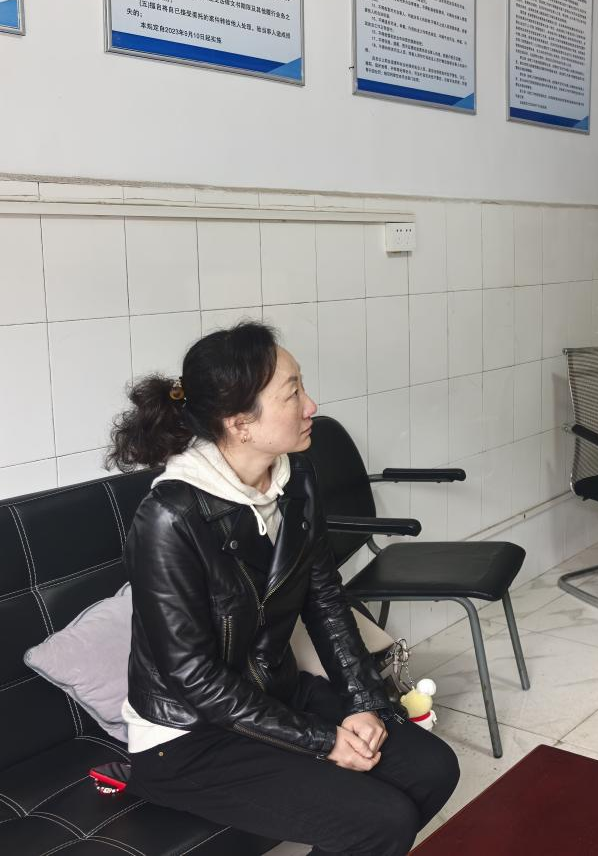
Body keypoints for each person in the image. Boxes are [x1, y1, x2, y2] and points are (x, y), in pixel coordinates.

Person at [108, 321, 459, 856]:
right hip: (188, 737)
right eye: (292, 393)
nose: (310, 405)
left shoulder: (295, 478)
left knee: (433, 767)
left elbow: (326, 599)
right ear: (240, 423)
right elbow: (192, 677)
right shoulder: (170, 517)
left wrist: (363, 702)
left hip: (273, 695)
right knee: (383, 820)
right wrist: (323, 740)